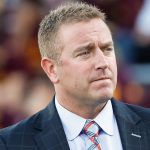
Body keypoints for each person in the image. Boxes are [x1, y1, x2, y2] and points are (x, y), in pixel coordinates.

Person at [0, 2, 150, 150]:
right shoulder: (11, 143)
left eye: (107, 49)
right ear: (52, 69)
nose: (102, 62)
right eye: (85, 52)